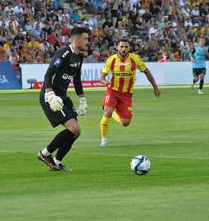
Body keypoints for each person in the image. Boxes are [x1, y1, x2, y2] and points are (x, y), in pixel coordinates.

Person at [37, 27, 89, 171]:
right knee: (74, 128)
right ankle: (44, 153)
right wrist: (49, 93)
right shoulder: (63, 54)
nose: (87, 41)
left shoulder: (80, 56)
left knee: (76, 132)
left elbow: (77, 79)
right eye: (85, 39)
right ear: (76, 40)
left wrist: (82, 99)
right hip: (51, 97)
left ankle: (57, 162)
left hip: (63, 97)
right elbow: (48, 75)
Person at [99, 38, 161, 147]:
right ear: (117, 47)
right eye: (121, 46)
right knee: (107, 112)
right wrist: (104, 81)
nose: (123, 49)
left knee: (125, 123)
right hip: (112, 91)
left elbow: (147, 72)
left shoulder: (135, 59)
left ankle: (111, 111)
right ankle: (104, 139)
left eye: (126, 47)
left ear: (129, 48)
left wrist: (155, 87)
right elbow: (102, 76)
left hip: (126, 94)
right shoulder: (111, 59)